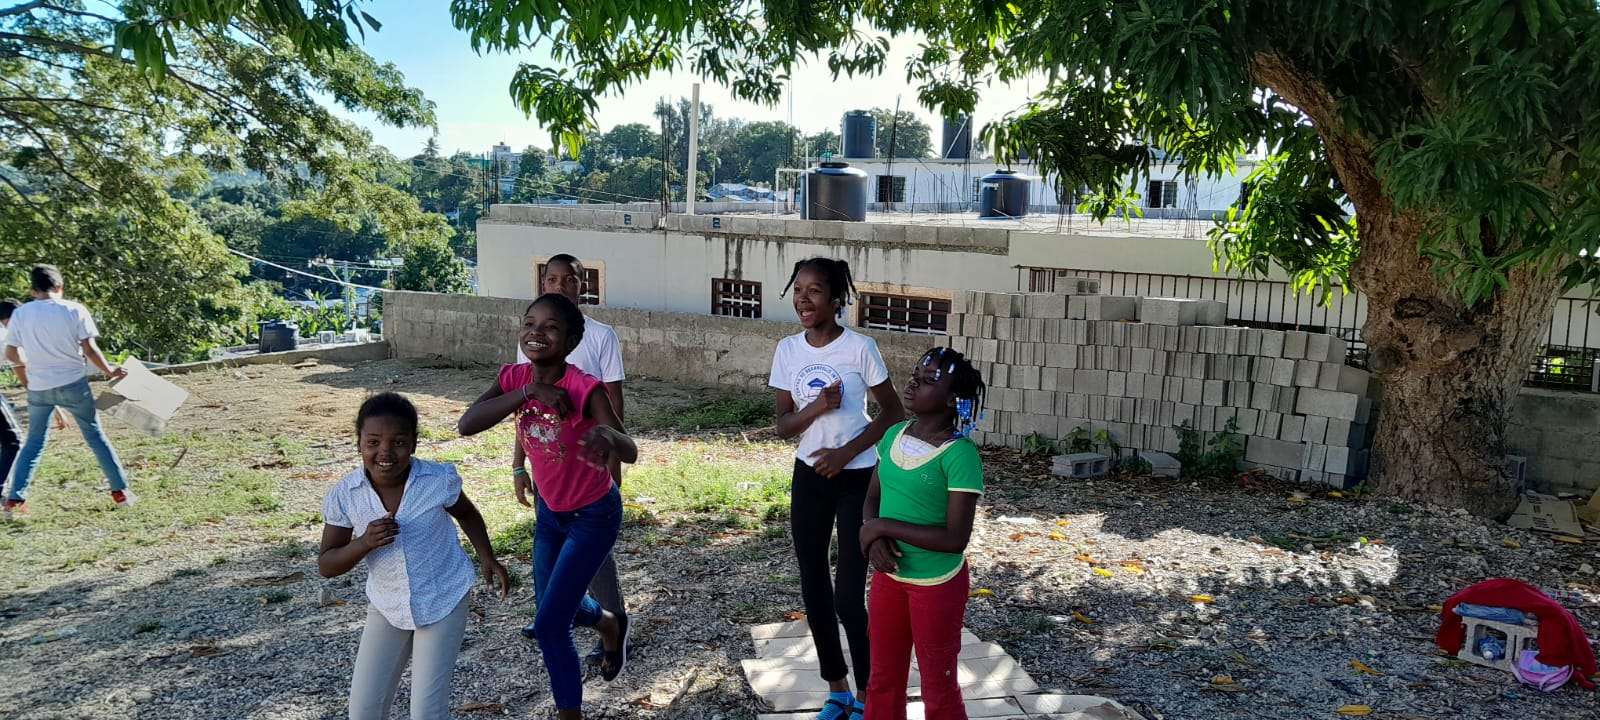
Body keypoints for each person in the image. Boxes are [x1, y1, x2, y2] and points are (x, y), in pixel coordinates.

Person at [458, 292, 637, 720]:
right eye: (529, 323)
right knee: (555, 610)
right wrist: (527, 391)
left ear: (572, 341)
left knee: (550, 626)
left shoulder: (583, 387)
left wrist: (607, 437)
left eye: (551, 327)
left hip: (594, 515)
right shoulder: (513, 378)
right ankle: (608, 622)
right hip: (550, 513)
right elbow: (467, 424)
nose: (536, 332)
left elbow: (628, 448)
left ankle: (569, 713)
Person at [319, 392, 511, 720]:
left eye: (399, 442)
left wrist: (487, 557)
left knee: (427, 713)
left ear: (414, 444)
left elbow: (466, 513)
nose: (385, 453)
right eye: (373, 442)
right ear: (358, 443)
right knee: (363, 711)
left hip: (443, 599)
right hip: (387, 604)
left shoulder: (437, 480)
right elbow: (327, 564)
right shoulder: (346, 495)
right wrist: (364, 542)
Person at [769, 257, 904, 720]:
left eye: (815, 291)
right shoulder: (787, 350)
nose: (804, 300)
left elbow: (892, 412)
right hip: (809, 476)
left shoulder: (860, 347)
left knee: (849, 594)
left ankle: (870, 695)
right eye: (799, 290)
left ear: (837, 299)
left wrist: (846, 453)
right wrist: (816, 409)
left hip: (857, 477)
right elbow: (784, 425)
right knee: (814, 587)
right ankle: (838, 689)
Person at [512, 254, 629, 667]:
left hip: (590, 467)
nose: (559, 286)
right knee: (552, 544)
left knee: (595, 556)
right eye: (552, 278)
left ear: (583, 285)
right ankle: (553, 613)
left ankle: (613, 624)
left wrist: (614, 463)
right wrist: (518, 466)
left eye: (569, 280)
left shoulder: (599, 337)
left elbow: (613, 403)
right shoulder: (531, 336)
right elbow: (523, 410)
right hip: (549, 464)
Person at [860, 348, 987, 720]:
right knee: (882, 677)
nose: (914, 382)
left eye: (929, 379)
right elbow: (871, 498)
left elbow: (954, 539)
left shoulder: (959, 455)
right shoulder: (894, 435)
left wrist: (881, 527)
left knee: (938, 682)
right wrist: (874, 539)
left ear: (952, 400)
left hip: (937, 583)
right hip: (890, 577)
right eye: (916, 373)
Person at [2, 265, 131, 517]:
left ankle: (15, 500)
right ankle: (120, 492)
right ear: (60, 287)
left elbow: (11, 352)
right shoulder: (74, 309)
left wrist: (27, 366)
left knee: (34, 443)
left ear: (32, 290)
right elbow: (90, 349)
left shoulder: (21, 314)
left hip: (39, 388)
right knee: (95, 437)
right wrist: (110, 371)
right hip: (73, 384)